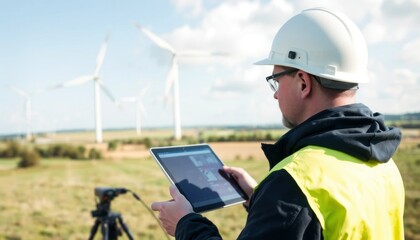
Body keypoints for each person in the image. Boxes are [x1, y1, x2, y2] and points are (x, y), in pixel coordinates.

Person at [151, 7, 405, 240]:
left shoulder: (295, 182)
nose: (274, 93)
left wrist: (186, 224)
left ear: (303, 82)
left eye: (276, 80)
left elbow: (301, 208)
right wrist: (261, 197)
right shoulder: (383, 163)